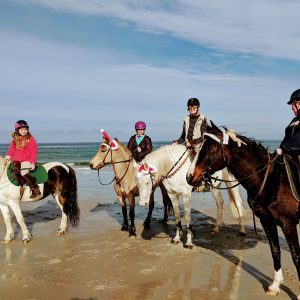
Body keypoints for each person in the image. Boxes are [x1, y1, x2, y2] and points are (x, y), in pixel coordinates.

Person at [174, 97, 210, 191]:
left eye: (194, 107)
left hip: (199, 145)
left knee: (201, 161)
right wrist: (177, 142)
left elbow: (205, 136)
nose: (192, 109)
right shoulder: (186, 120)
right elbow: (183, 136)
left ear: (198, 108)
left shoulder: (203, 119)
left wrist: (193, 142)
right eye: (190, 107)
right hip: (187, 145)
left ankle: (207, 182)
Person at [5, 120, 41, 198]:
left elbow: (33, 151)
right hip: (16, 161)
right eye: (21, 129)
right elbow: (11, 150)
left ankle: (35, 189)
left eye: (25, 129)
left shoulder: (30, 139)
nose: (24, 131)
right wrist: (8, 156)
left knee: (23, 173)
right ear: (17, 130)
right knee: (10, 171)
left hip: (27, 160)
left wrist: (32, 163)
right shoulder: (15, 140)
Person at [276, 89, 300, 157]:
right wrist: (281, 148)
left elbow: (298, 140)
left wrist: (283, 149)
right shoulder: (295, 119)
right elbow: (287, 138)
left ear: (298, 104)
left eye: (292, 105)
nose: (292, 108)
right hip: (290, 154)